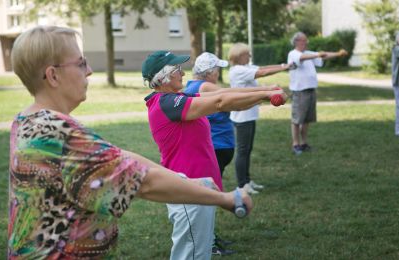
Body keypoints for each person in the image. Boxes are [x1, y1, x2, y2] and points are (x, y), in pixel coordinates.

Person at [8, 25, 253, 259]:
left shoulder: (27, 121)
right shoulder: (57, 134)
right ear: (53, 75)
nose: (90, 70)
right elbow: (144, 183)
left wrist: (184, 179)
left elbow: (119, 157)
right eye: (81, 62)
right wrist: (225, 198)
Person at [142, 50, 287, 259]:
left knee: (200, 253)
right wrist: (264, 95)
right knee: (190, 255)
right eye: (177, 70)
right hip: (187, 189)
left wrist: (266, 90)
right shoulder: (166, 103)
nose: (183, 73)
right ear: (162, 77)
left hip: (199, 187)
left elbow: (223, 95)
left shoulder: (177, 98)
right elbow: (220, 103)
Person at [228, 43, 291, 194]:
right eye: (247, 54)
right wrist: (284, 68)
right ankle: (242, 185)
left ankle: (247, 181)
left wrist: (283, 65)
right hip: (242, 117)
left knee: (247, 150)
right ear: (238, 56)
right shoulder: (238, 70)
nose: (249, 56)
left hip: (248, 115)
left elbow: (263, 67)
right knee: (243, 151)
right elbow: (263, 72)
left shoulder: (245, 67)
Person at [287, 32, 348, 155]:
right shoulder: (293, 54)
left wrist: (338, 54)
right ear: (297, 42)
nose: (306, 43)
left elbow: (324, 55)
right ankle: (295, 144)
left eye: (306, 40)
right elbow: (302, 58)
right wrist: (316, 55)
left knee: (307, 119)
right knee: (297, 119)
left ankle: (304, 144)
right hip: (300, 92)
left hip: (311, 90)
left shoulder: (309, 53)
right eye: (304, 41)